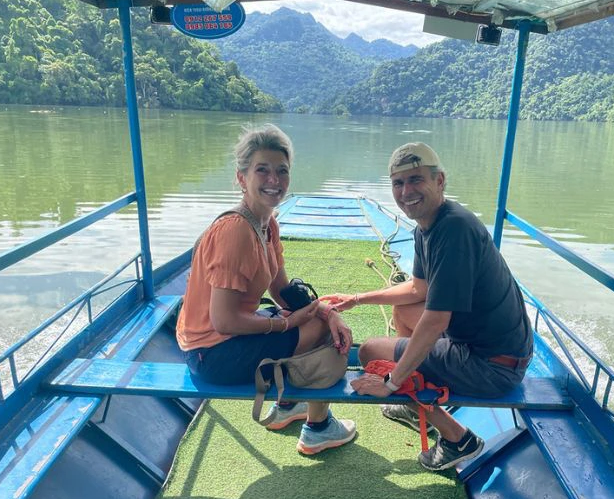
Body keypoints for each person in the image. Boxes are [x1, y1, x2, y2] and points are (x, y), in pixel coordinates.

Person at [324, 142, 533, 471]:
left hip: (493, 366)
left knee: (371, 353)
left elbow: (436, 321)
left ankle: (457, 438)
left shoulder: (454, 230)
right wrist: (357, 298)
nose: (406, 191)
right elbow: (418, 289)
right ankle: (415, 400)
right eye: (398, 183)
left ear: (440, 181)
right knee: (403, 312)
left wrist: (392, 382)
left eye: (416, 179)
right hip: (485, 344)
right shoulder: (429, 224)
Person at [176, 124, 356, 455]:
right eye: (263, 170)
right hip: (211, 354)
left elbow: (282, 287)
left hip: (225, 339)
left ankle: (289, 404)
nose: (274, 180)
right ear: (242, 178)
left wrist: (327, 310)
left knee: (317, 317)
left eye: (281, 171)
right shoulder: (235, 232)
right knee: (318, 331)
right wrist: (289, 323)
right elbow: (224, 322)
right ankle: (317, 428)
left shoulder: (267, 224)